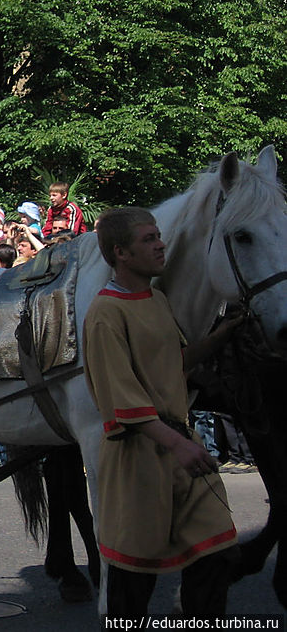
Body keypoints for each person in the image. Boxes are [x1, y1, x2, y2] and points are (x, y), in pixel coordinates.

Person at [83, 207, 241, 617]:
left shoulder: (156, 299)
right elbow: (121, 398)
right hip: (138, 457)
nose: (160, 244)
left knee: (216, 553)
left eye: (158, 236)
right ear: (121, 253)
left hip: (179, 450)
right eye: (148, 239)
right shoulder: (105, 313)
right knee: (132, 582)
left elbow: (173, 362)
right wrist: (179, 445)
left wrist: (223, 335)